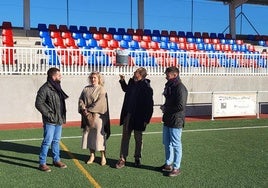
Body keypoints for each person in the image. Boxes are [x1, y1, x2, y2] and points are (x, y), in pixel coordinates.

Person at [116, 67, 154, 169]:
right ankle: (122, 159)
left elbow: (150, 105)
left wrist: (146, 120)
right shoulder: (131, 82)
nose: (134, 72)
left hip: (139, 118)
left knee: (138, 138)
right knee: (125, 137)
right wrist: (122, 80)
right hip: (128, 115)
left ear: (140, 75)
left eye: (136, 72)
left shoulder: (147, 87)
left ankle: (137, 158)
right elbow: (126, 89)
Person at [35, 67, 69, 172]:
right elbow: (38, 103)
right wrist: (49, 114)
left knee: (56, 141)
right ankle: (42, 163)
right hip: (50, 120)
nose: (61, 76)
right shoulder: (44, 88)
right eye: (59, 75)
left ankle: (56, 160)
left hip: (58, 119)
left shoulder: (57, 87)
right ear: (53, 76)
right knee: (47, 141)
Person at [160, 66, 188, 177]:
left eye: (168, 75)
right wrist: (165, 108)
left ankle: (176, 167)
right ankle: (168, 164)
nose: (166, 77)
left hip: (176, 120)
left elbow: (181, 106)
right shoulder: (171, 86)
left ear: (175, 75)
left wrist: (166, 108)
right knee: (167, 143)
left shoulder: (180, 88)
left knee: (176, 144)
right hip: (168, 119)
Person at [78, 71, 110, 166]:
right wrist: (83, 108)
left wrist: (89, 110)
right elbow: (81, 100)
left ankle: (103, 156)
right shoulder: (86, 89)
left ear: (99, 79)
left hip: (98, 116)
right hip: (87, 115)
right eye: (91, 78)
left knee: (99, 137)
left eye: (95, 78)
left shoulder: (102, 90)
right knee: (89, 136)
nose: (93, 79)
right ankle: (92, 155)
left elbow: (100, 103)